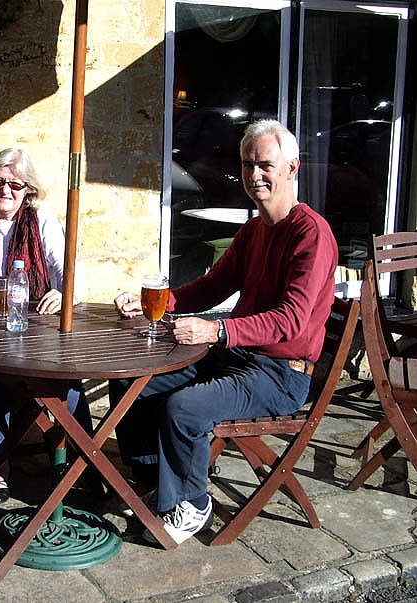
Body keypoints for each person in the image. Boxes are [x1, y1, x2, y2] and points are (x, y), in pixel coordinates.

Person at [111, 120, 338, 545]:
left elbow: (290, 320)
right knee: (133, 378)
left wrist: (216, 331)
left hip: (281, 373)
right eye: (248, 165)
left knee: (185, 408)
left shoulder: (311, 233)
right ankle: (157, 480)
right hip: (239, 356)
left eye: (266, 165)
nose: (255, 175)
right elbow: (211, 287)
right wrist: (153, 306)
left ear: (293, 168)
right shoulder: (254, 231)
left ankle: (193, 502)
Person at [0, 147, 92, 503]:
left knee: (66, 377)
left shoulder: (43, 223)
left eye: (15, 183)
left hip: (39, 337)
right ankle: (0, 465)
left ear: (28, 189)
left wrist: (63, 294)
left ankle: (86, 460)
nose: (5, 190)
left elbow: (75, 280)